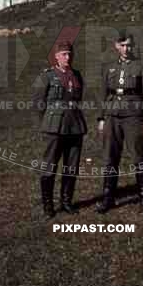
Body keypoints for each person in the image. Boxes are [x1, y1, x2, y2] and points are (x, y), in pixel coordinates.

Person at [96, 30, 143, 215]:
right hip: (112, 115)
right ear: (116, 46)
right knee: (110, 157)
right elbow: (103, 93)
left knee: (139, 156)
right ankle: (108, 198)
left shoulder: (142, 66)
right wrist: (101, 118)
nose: (126, 48)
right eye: (122, 45)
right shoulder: (109, 67)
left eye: (129, 45)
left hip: (133, 115)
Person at [32, 40, 87, 219]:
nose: (68, 57)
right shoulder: (47, 76)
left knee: (71, 167)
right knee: (49, 167)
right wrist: (46, 123)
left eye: (70, 54)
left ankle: (66, 202)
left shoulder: (77, 75)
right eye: (64, 54)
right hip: (53, 126)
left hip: (75, 126)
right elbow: (38, 103)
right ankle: (48, 204)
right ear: (56, 56)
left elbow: (78, 99)